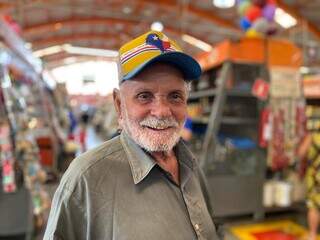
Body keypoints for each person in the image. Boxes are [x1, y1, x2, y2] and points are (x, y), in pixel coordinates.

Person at [44, 31, 220, 240]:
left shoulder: (190, 164)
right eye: (144, 96)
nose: (162, 111)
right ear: (119, 104)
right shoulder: (86, 179)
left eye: (175, 96)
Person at [298, 132, 320, 240]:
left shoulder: (313, 135)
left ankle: (312, 234)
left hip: (316, 175)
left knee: (314, 206)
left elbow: (301, 152)